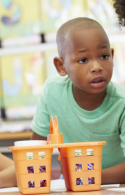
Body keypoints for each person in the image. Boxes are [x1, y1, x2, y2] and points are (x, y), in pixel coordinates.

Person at [31, 17, 125, 184]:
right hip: (71, 185)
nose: (97, 66)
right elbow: (35, 151)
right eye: (83, 60)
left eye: (104, 56)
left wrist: (86, 176)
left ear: (112, 56)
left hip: (113, 187)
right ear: (61, 67)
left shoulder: (122, 102)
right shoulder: (52, 91)